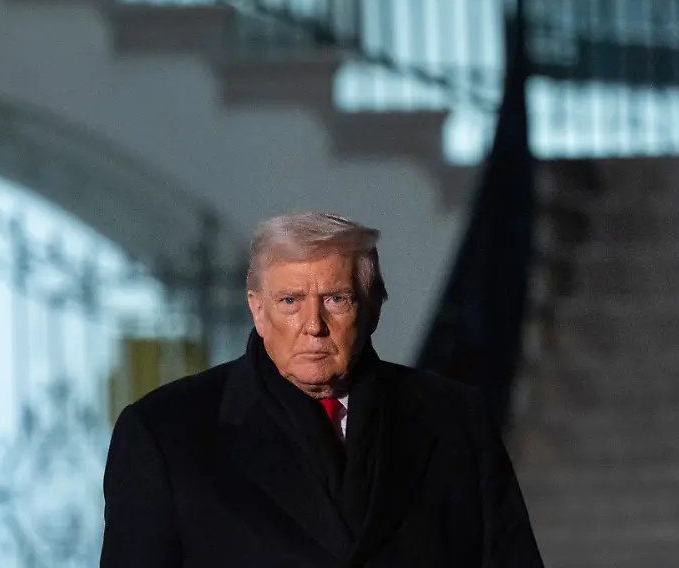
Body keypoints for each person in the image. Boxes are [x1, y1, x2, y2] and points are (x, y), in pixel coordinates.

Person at [100, 211, 544, 567]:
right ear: (258, 310)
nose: (313, 325)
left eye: (336, 299)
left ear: (371, 309)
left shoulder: (455, 420)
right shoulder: (165, 433)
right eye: (290, 301)